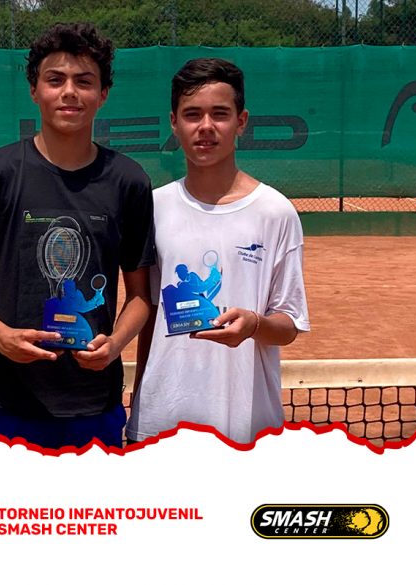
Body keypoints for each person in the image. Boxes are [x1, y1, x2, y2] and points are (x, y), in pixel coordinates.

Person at [0, 23, 154, 450]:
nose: (69, 92)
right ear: (34, 90)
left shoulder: (129, 181)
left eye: (84, 81)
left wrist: (114, 344)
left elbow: (140, 296)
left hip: (94, 405)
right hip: (7, 400)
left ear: (103, 94)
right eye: (55, 80)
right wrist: (0, 335)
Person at [126, 58, 310, 445]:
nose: (206, 126)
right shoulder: (153, 207)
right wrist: (140, 404)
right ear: (174, 123)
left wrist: (254, 325)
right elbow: (149, 315)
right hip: (161, 423)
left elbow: (289, 324)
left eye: (220, 114)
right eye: (192, 114)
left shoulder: (276, 212)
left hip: (247, 428)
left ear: (241, 122)